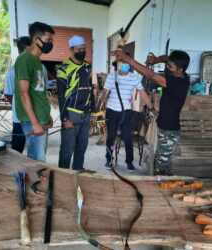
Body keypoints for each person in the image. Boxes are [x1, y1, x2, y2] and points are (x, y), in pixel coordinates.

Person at [115, 50, 190, 175]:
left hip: (169, 132)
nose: (167, 68)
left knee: (162, 168)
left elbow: (151, 75)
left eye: (170, 67)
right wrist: (157, 60)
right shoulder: (181, 75)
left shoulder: (178, 82)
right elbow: (167, 58)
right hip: (167, 130)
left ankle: (162, 187)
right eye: (168, 65)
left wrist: (127, 59)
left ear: (180, 69)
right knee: (161, 162)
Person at [101, 59, 153, 172]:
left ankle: (129, 162)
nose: (125, 65)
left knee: (128, 138)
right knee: (111, 138)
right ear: (117, 64)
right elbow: (105, 91)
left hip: (126, 112)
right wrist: (102, 99)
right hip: (112, 111)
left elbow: (143, 93)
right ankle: (109, 159)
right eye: (122, 62)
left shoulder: (134, 77)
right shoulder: (112, 76)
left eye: (127, 63)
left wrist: (151, 107)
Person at [14, 22, 54, 162]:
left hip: (40, 117)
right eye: (48, 40)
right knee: (37, 162)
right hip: (33, 121)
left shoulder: (37, 61)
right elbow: (24, 93)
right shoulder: (24, 60)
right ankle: (34, 184)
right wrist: (35, 123)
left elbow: (38, 91)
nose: (50, 44)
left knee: (40, 159)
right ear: (37, 40)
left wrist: (46, 114)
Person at [57, 35, 94, 170]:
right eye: (79, 49)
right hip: (71, 113)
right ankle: (63, 175)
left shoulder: (87, 66)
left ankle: (78, 172)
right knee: (68, 147)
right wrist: (65, 118)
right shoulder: (64, 68)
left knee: (82, 147)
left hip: (85, 113)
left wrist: (93, 109)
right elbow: (61, 95)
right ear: (71, 50)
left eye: (84, 49)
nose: (82, 51)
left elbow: (90, 89)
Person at [4, 36, 31, 153]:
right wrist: (17, 105)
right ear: (20, 51)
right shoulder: (12, 71)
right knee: (17, 148)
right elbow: (8, 93)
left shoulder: (37, 68)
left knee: (35, 150)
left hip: (34, 117)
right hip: (19, 118)